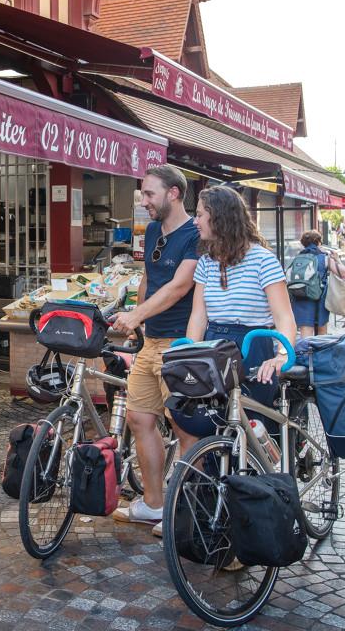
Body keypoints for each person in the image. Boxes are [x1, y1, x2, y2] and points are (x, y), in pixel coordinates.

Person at [110, 165, 200, 531]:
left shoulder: (196, 234)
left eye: (149, 194)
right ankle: (154, 503)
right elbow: (149, 276)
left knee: (184, 426)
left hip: (180, 343)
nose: (143, 201)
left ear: (174, 193)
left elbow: (181, 286)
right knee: (139, 418)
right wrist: (139, 322)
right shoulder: (150, 231)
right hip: (152, 340)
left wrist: (137, 315)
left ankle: (190, 511)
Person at [181, 186, 298, 441]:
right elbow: (198, 317)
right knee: (214, 424)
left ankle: (265, 476)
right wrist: (189, 352)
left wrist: (280, 357)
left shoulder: (263, 260)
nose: (195, 220)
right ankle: (217, 478)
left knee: (252, 428)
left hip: (254, 345)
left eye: (200, 214)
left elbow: (285, 318)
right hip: (216, 346)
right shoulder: (205, 263)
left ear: (220, 216)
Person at [289, 230, 345, 338]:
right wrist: (337, 259)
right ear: (318, 242)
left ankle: (307, 354)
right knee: (321, 334)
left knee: (306, 334)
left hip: (300, 297)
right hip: (319, 300)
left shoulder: (297, 258)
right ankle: (319, 355)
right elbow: (344, 274)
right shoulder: (324, 258)